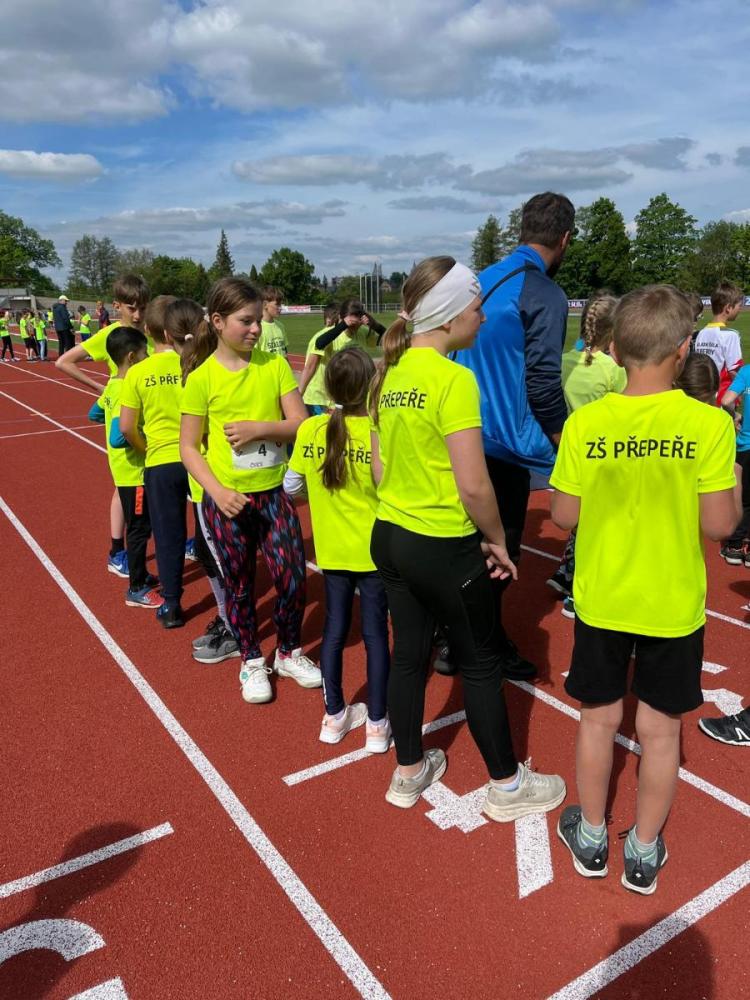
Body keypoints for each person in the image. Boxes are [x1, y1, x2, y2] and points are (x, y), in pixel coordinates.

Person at [551, 284, 739, 894]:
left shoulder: (586, 423)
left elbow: (564, 515)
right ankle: (643, 849)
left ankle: (591, 837)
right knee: (662, 733)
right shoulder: (708, 423)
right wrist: (733, 483)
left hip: (604, 597)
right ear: (684, 349)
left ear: (615, 348)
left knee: (597, 721)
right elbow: (721, 526)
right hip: (671, 603)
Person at [369, 256, 566, 814]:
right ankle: (507, 787)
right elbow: (474, 484)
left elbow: (380, 471)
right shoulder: (454, 379)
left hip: (391, 534)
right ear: (451, 314)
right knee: (480, 663)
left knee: (409, 656)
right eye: (477, 307)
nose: (482, 316)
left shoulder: (387, 371)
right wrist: (497, 538)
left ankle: (408, 771)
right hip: (441, 545)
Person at [180, 277, 321, 702]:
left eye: (258, 319)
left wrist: (261, 428)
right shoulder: (201, 379)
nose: (256, 328)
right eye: (246, 321)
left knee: (292, 579)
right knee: (240, 585)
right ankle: (251, 659)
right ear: (218, 322)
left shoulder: (272, 367)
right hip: (228, 501)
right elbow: (188, 447)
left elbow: (301, 424)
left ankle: (289, 651)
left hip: (274, 495)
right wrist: (217, 492)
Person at [454, 191, 575, 680]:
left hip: (455, 433)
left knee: (463, 545)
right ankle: (479, 646)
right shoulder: (543, 292)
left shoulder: (479, 280)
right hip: (504, 445)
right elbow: (543, 382)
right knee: (501, 552)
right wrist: (565, 440)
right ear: (565, 239)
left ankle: (452, 636)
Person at [285, 346, 391, 750]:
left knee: (333, 631)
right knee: (376, 634)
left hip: (330, 550)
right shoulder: (378, 431)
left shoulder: (312, 429)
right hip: (373, 552)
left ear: (328, 387)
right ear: (371, 387)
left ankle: (333, 715)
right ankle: (377, 722)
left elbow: (291, 486)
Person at [56, 274, 152, 577]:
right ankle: (118, 550)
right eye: (132, 308)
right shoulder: (111, 334)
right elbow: (64, 361)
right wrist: (101, 389)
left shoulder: (150, 332)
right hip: (127, 423)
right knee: (127, 488)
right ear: (117, 305)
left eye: (142, 308)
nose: (137, 315)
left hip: (151, 417)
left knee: (142, 488)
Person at [548, 294, 626, 615]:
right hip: (603, 455)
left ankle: (566, 571)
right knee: (600, 526)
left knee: (581, 519)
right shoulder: (613, 370)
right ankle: (578, 591)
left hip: (570, 450)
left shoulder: (565, 361)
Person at [119, 295, 191, 629]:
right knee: (210, 533)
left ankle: (172, 604)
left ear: (148, 329)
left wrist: (146, 448)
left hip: (161, 460)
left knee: (168, 534)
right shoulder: (194, 363)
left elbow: (126, 427)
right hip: (199, 458)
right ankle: (228, 604)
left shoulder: (138, 372)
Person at [88, 327, 163, 610]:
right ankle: (136, 587)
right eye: (145, 353)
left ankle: (140, 574)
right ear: (132, 357)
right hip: (135, 472)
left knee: (140, 524)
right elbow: (118, 438)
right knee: (140, 528)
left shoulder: (112, 385)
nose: (148, 357)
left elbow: (94, 413)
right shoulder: (125, 389)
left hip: (122, 469)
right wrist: (144, 442)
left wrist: (110, 418)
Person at [718, 361, 750, 566]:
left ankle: (735, 546)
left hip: (746, 445)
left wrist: (737, 416)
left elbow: (726, 400)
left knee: (743, 497)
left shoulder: (746, 372)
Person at [694, 282, 744, 404]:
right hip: (723, 396)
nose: (740, 309)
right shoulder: (731, 335)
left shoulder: (701, 333)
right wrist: (739, 394)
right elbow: (734, 371)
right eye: (739, 305)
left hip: (704, 395)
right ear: (728, 308)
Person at [297, 305, 340, 415]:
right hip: (318, 396)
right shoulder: (324, 336)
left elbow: (310, 366)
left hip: (323, 395)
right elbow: (310, 366)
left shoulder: (333, 336)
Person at [313, 299, 386, 354]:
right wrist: (343, 325)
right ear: (342, 318)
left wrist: (373, 324)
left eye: (356, 323)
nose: (354, 327)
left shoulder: (363, 332)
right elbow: (319, 344)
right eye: (351, 323)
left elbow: (387, 338)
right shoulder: (332, 332)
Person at [256, 286, 289, 358]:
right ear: (265, 305)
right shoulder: (256, 328)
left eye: (281, 304)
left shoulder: (280, 326)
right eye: (277, 304)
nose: (280, 308)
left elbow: (284, 352)